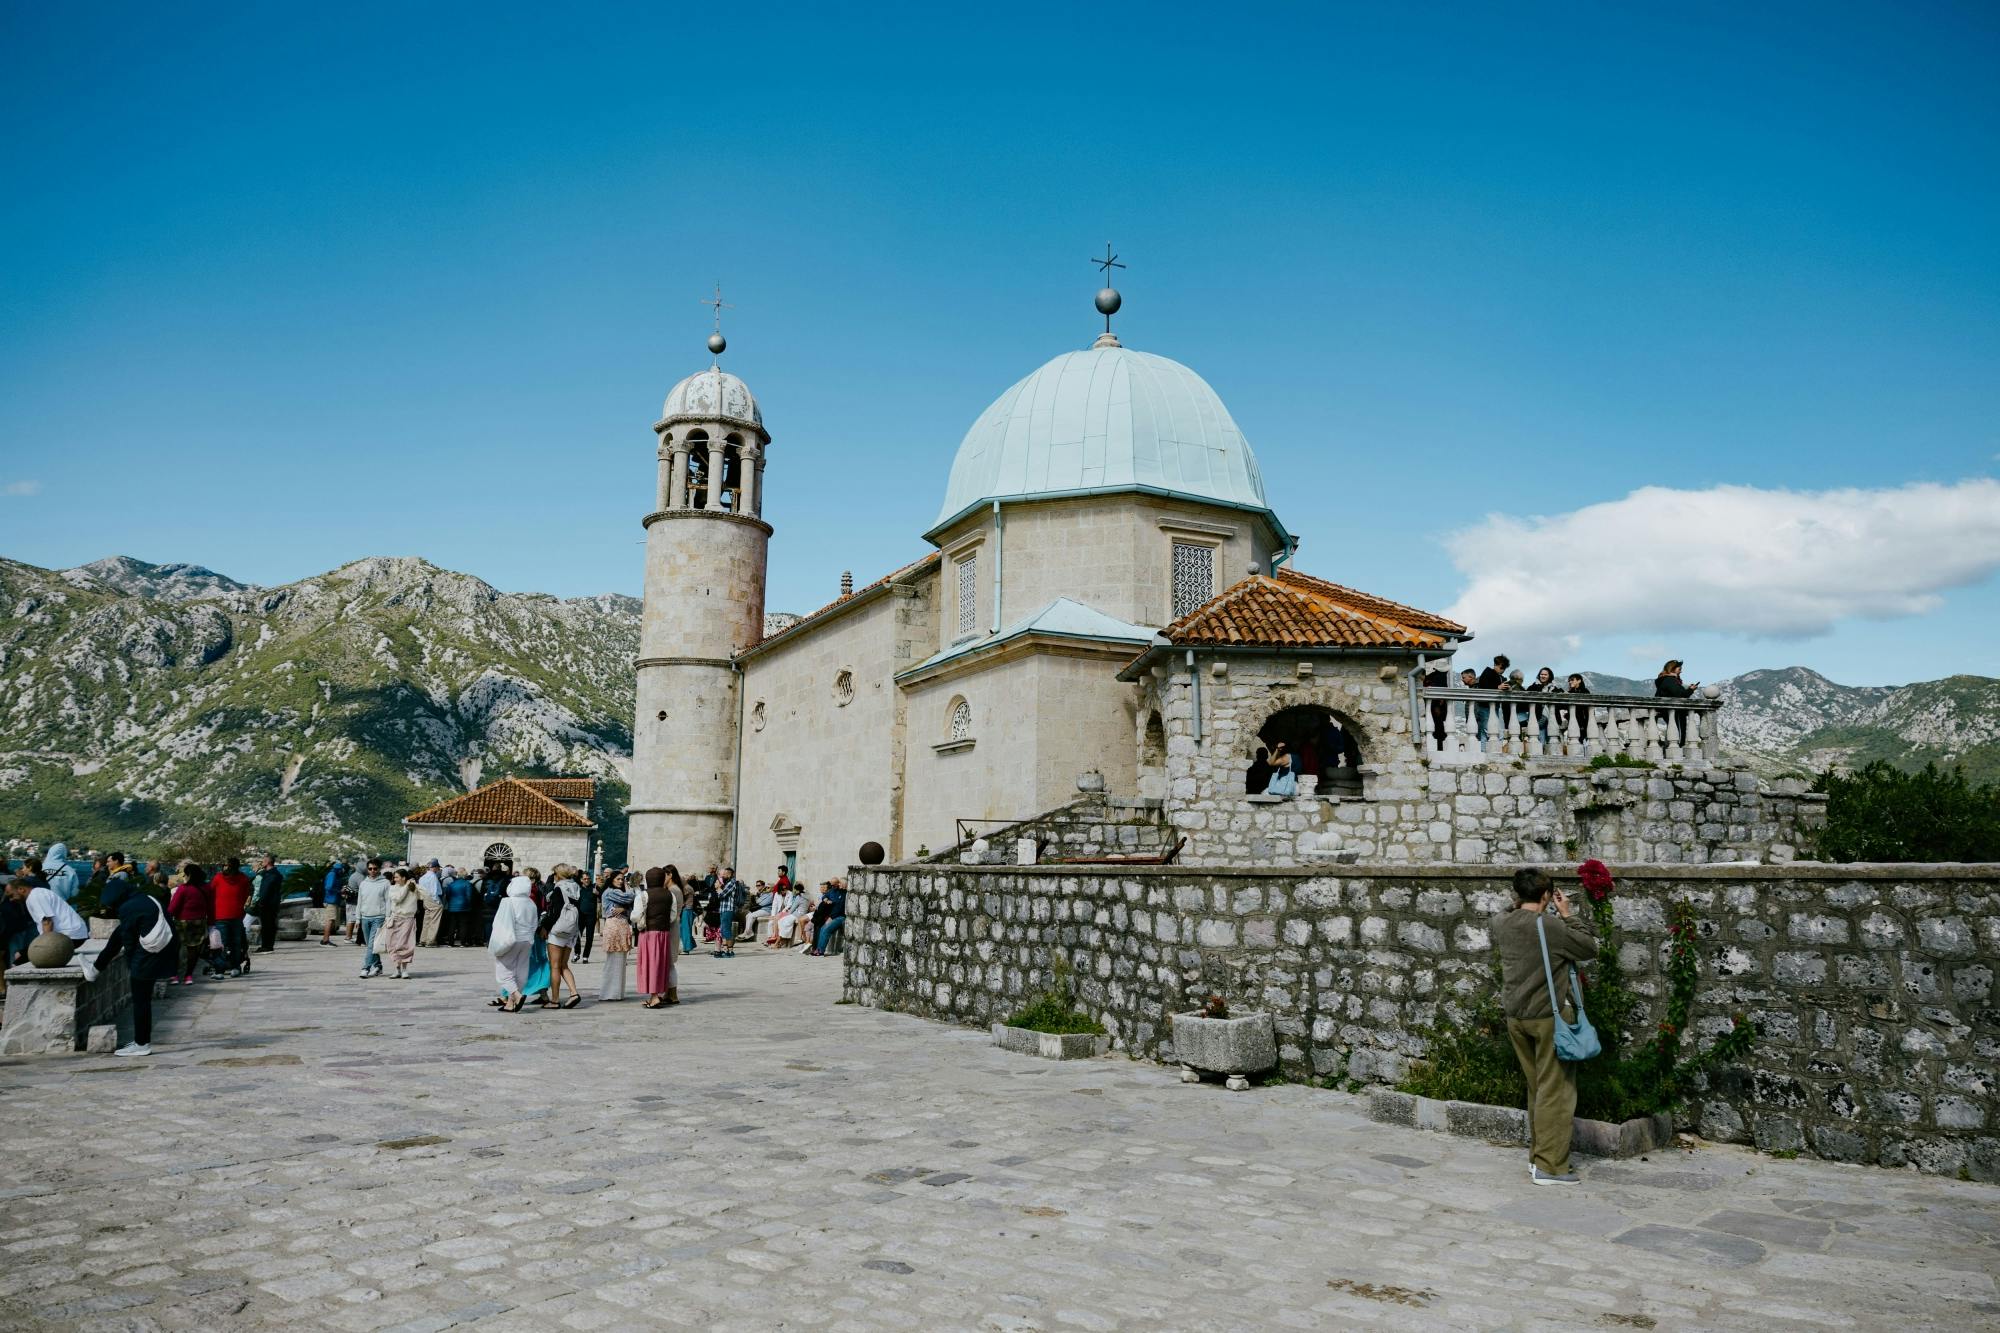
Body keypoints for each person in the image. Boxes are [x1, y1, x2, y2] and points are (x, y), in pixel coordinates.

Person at [1490, 867, 1598, 1185]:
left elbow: (1514, 910)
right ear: (1547, 896)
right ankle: (1550, 1166)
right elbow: (1588, 947)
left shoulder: (1501, 922)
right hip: (1548, 1018)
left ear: (1516, 894)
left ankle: (1538, 1158)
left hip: (1516, 1017)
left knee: (1537, 1089)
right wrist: (1567, 914)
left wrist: (1531, 900)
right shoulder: (1549, 926)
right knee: (1557, 1092)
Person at [94, 876, 174, 1057]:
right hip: (161, 950)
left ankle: (142, 1044)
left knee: (141, 1001)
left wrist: (132, 964)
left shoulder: (128, 907)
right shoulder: (144, 899)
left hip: (147, 956)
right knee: (143, 1000)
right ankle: (141, 1040)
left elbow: (128, 941)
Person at [25, 869, 94, 974]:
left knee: (26, 955)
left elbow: (47, 922)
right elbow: (75, 891)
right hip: (71, 921)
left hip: (64, 931)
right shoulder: (70, 870)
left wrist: (46, 945)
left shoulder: (37, 892)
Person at [489, 876, 539, 1012]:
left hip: (512, 939)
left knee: (503, 970)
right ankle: (510, 1004)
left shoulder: (508, 901)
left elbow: (500, 923)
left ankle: (517, 995)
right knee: (521, 970)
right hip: (527, 940)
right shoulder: (531, 903)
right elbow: (535, 924)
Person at [540, 865, 585, 1009]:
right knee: (564, 965)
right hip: (571, 930)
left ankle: (554, 1000)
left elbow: (554, 912)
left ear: (558, 874)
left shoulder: (559, 889)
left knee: (554, 966)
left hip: (558, 931)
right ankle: (573, 993)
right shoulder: (576, 887)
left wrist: (545, 927)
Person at [637, 866, 682, 1009]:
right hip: (664, 933)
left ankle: (655, 996)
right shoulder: (670, 895)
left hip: (648, 933)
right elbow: (673, 916)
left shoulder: (643, 895)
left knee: (649, 964)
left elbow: (635, 915)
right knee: (661, 964)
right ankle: (656, 995)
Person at [168, 863, 214, 986]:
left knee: (175, 948)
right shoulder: (207, 888)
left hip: (182, 922)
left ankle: (174, 975)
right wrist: (211, 923)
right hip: (199, 921)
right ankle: (188, 976)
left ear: (188, 875)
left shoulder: (183, 888)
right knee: (193, 950)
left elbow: (173, 907)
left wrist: (167, 917)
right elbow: (210, 907)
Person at [209, 856, 253, 976]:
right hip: (237, 915)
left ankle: (220, 970)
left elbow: (210, 893)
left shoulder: (218, 878)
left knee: (221, 943)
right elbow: (246, 896)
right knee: (236, 943)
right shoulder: (243, 879)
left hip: (220, 915)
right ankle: (235, 967)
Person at [598, 873, 635, 1001]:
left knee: (620, 961)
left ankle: (616, 992)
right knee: (614, 960)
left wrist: (624, 909)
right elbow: (630, 898)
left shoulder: (615, 892)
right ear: (612, 880)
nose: (621, 881)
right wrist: (628, 887)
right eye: (618, 879)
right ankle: (610, 992)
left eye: (622, 879)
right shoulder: (611, 892)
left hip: (621, 925)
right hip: (614, 925)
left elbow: (629, 908)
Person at [380, 869, 421, 979]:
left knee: (405, 944)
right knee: (392, 944)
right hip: (395, 918)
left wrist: (415, 884)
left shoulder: (412, 887)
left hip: (408, 919)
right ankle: (397, 969)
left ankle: (404, 969)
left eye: (397, 877)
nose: (395, 879)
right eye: (394, 877)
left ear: (403, 877)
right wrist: (406, 887)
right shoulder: (393, 888)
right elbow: (398, 898)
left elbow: (423, 895)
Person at [354, 858, 390, 979]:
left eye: (375, 868)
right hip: (365, 917)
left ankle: (365, 968)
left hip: (379, 917)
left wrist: (388, 917)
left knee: (371, 945)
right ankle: (378, 966)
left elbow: (388, 901)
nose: (373, 871)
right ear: (367, 870)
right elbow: (360, 901)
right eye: (370, 869)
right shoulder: (363, 883)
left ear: (379, 869)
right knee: (371, 945)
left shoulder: (385, 883)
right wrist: (358, 919)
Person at [522, 868, 553, 1006]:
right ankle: (543, 993)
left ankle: (510, 995)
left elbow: (531, 913)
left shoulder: (531, 892)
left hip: (532, 930)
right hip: (540, 929)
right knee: (541, 959)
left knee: (529, 961)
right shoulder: (542, 889)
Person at [1654, 658, 1697, 748]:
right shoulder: (1670, 680)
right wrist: (1691, 690)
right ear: (1672, 669)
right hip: (1675, 711)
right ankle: (1677, 751)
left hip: (1671, 711)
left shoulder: (1666, 680)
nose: (1681, 671)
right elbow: (1680, 695)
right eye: (1679, 669)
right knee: (1678, 733)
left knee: (1675, 731)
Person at [251, 854, 285, 952]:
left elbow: (265, 890)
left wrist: (261, 902)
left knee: (267, 925)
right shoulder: (275, 874)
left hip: (268, 905)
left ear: (268, 862)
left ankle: (266, 946)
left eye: (264, 860)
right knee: (269, 925)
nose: (262, 862)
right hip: (272, 904)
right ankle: (268, 945)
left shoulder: (271, 875)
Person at [808, 880, 848, 956]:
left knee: (826, 929)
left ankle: (820, 950)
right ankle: (818, 949)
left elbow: (839, 909)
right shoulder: (836, 892)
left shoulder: (845, 894)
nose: (839, 885)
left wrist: (831, 917)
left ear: (845, 885)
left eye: (841, 884)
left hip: (840, 917)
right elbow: (825, 895)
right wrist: (826, 899)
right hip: (833, 916)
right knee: (822, 928)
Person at [714, 867, 745, 957]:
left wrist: (719, 888)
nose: (724, 875)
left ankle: (730, 951)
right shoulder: (727, 883)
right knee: (724, 930)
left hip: (728, 909)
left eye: (726, 873)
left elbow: (722, 895)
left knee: (727, 930)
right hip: (723, 909)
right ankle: (725, 950)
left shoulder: (732, 883)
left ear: (730, 874)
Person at [441, 866, 474, 946]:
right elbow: (469, 896)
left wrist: (451, 903)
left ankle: (450, 942)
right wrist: (469, 905)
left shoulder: (452, 884)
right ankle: (463, 942)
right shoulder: (468, 884)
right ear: (465, 875)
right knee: (463, 924)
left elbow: (448, 895)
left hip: (452, 907)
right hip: (464, 907)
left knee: (452, 925)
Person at [319, 858, 348, 946]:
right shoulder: (333, 875)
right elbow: (328, 887)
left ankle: (326, 939)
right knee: (330, 920)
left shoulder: (333, 874)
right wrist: (340, 891)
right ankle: (325, 940)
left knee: (331, 920)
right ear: (339, 869)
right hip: (331, 900)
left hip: (333, 900)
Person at [416, 860, 444, 947]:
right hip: (432, 898)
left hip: (425, 898)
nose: (438, 869)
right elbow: (434, 891)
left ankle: (423, 940)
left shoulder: (422, 877)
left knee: (427, 920)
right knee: (434, 920)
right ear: (435, 867)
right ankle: (430, 941)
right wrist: (438, 902)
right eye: (438, 868)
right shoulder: (433, 877)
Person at [575, 870, 599, 963]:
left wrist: (597, 893)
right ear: (581, 880)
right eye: (584, 879)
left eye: (588, 879)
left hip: (591, 916)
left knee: (589, 937)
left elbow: (603, 896)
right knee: (577, 935)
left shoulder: (594, 887)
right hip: (580, 915)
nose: (587, 880)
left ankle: (585, 956)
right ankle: (577, 953)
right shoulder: (578, 889)